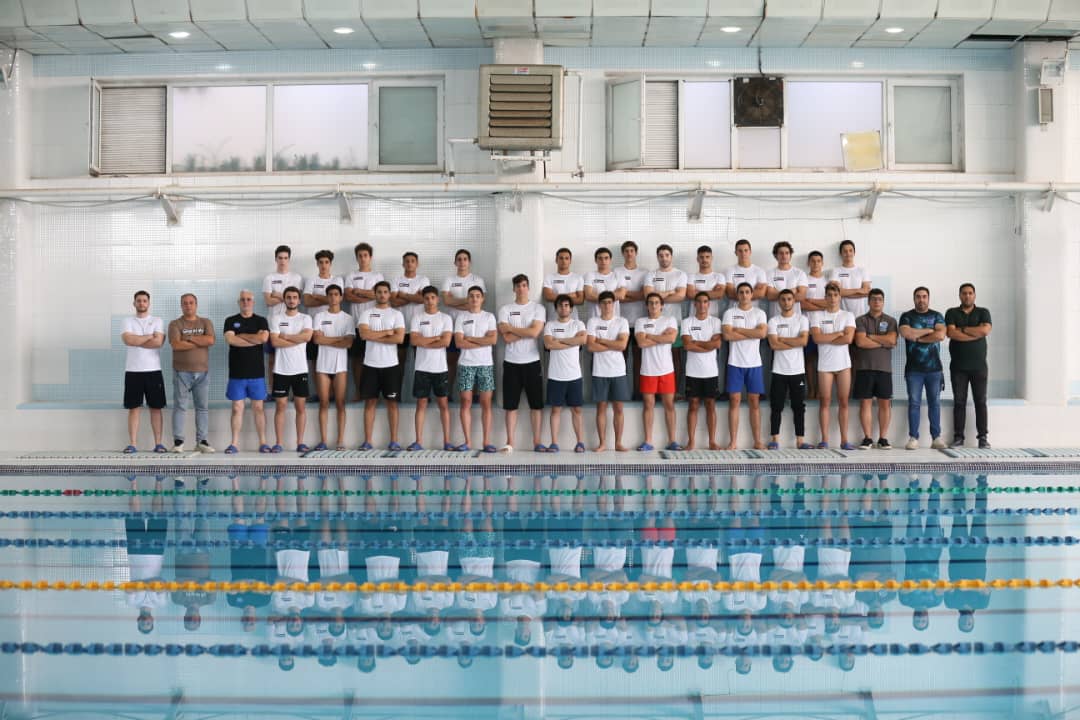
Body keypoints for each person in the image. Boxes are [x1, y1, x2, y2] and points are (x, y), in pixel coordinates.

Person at [498, 274, 546, 453]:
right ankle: (510, 442)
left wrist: (512, 329)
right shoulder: (505, 309)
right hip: (511, 363)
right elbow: (506, 338)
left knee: (536, 405)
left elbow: (535, 333)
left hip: (532, 362)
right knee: (511, 406)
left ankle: (537, 442)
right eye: (518, 286)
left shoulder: (538, 308)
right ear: (514, 289)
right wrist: (527, 331)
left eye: (524, 285)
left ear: (528, 288)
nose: (521, 288)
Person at [358, 281, 406, 450]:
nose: (382, 295)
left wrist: (374, 335)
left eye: (385, 292)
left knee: (392, 404)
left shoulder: (396, 314)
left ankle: (394, 441)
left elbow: (399, 338)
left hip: (391, 365)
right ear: (375, 293)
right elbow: (363, 335)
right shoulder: (366, 313)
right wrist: (386, 333)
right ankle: (367, 441)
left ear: (389, 294)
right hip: (370, 364)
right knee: (369, 404)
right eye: (379, 292)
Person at [899, 287, 947, 450]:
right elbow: (906, 333)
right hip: (914, 370)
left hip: (934, 369)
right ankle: (913, 438)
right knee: (914, 403)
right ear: (914, 299)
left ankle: (936, 438)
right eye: (918, 297)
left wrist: (918, 338)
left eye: (924, 296)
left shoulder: (937, 315)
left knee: (935, 403)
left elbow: (940, 335)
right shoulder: (906, 316)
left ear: (928, 298)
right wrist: (929, 331)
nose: (921, 299)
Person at [945, 283, 992, 449]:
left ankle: (983, 437)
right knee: (959, 402)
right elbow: (951, 333)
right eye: (964, 293)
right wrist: (974, 333)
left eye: (970, 293)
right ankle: (958, 438)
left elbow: (985, 331)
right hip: (958, 367)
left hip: (979, 367)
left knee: (981, 401)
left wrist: (963, 329)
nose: (967, 296)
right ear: (960, 295)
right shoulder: (952, 312)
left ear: (974, 295)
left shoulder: (983, 312)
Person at [810, 282, 856, 450]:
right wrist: (837, 334)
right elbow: (817, 339)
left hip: (843, 365)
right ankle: (824, 440)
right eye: (829, 295)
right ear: (825, 297)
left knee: (844, 402)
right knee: (825, 402)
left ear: (840, 297)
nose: (832, 298)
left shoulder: (848, 315)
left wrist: (827, 337)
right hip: (825, 366)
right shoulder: (817, 316)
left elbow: (848, 339)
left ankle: (844, 440)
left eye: (835, 295)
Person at [223, 290, 271, 453]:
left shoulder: (261, 321)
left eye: (249, 299)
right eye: (243, 299)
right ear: (239, 302)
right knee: (237, 408)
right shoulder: (230, 320)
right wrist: (253, 339)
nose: (246, 302)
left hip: (256, 373)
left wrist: (241, 336)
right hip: (237, 373)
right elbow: (231, 339)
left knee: (258, 408)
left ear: (253, 302)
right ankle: (234, 443)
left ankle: (263, 442)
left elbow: (263, 339)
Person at [722, 283, 767, 450]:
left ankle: (757, 441)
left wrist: (739, 330)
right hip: (735, 363)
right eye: (741, 292)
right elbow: (727, 335)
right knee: (734, 401)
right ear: (737, 295)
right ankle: (733, 442)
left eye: (747, 292)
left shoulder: (759, 313)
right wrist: (751, 333)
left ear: (752, 294)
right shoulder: (729, 313)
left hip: (754, 364)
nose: (744, 295)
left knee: (754, 402)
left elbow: (762, 333)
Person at [167, 293, 215, 453]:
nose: (188, 305)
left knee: (202, 408)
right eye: (185, 303)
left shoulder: (206, 322)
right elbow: (176, 345)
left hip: (202, 372)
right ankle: (178, 442)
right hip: (181, 372)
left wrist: (188, 338)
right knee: (180, 407)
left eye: (191, 302)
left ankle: (202, 441)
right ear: (181, 305)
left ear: (196, 304)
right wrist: (199, 340)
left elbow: (210, 340)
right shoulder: (175, 324)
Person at [121, 290, 167, 453]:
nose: (141, 303)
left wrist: (137, 340)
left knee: (156, 408)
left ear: (149, 303)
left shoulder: (157, 320)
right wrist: (148, 337)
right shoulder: (127, 321)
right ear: (134, 303)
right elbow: (128, 340)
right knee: (134, 408)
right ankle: (133, 444)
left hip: (153, 370)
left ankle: (158, 444)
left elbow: (158, 342)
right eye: (139, 300)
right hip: (133, 371)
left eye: (144, 300)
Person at [409, 286, 454, 451]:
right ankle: (418, 441)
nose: (430, 301)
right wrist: (435, 338)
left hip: (440, 368)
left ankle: (447, 441)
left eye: (432, 298)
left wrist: (425, 340)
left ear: (437, 299)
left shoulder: (445, 318)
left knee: (443, 405)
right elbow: (414, 341)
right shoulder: (417, 318)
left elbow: (446, 342)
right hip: (422, 368)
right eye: (427, 298)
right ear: (423, 300)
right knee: (421, 405)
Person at [269, 286, 313, 453]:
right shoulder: (276, 318)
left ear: (299, 300)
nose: (292, 300)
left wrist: (286, 336)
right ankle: (279, 443)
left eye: (295, 297)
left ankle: (300, 442)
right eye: (289, 297)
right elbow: (275, 342)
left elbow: (307, 337)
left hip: (300, 369)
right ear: (285, 299)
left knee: (300, 407)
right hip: (281, 369)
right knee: (280, 406)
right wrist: (297, 339)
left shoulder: (306, 318)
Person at [454, 285, 497, 452]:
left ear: (482, 298)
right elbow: (459, 342)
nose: (474, 298)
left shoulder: (489, 317)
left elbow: (492, 341)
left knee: (486, 403)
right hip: (466, 364)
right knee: (466, 401)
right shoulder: (461, 317)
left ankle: (486, 442)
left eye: (477, 296)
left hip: (485, 364)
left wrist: (470, 339)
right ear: (468, 298)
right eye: (471, 295)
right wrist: (481, 340)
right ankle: (468, 442)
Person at [853, 288, 898, 450]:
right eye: (874, 299)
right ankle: (867, 438)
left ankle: (883, 438)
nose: (877, 302)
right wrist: (883, 342)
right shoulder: (860, 320)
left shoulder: (891, 321)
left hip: (884, 369)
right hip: (864, 368)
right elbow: (860, 342)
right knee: (865, 404)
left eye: (879, 299)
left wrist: (870, 336)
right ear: (868, 301)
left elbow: (892, 340)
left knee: (885, 404)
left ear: (883, 302)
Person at [311, 285, 354, 451]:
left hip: (340, 366)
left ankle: (340, 441)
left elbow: (348, 343)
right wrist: (338, 339)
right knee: (323, 403)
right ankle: (323, 441)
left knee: (340, 403)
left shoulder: (347, 318)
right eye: (330, 294)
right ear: (327, 297)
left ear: (341, 297)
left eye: (336, 294)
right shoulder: (319, 316)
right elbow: (317, 340)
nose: (333, 297)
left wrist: (327, 339)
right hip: (323, 365)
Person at [635, 293, 680, 451]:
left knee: (669, 405)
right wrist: (661, 337)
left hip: (666, 370)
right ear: (647, 306)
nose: (654, 305)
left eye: (656, 303)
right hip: (648, 370)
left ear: (662, 305)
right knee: (648, 405)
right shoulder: (641, 322)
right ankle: (648, 441)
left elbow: (671, 339)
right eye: (651, 303)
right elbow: (641, 343)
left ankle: (672, 440)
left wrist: (650, 336)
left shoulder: (670, 320)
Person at [543, 294, 587, 453]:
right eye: (561, 305)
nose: (564, 308)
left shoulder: (578, 324)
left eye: (567, 305)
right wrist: (571, 341)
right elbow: (548, 344)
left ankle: (580, 442)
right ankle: (554, 443)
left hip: (574, 375)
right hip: (556, 375)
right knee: (556, 410)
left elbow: (582, 341)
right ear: (556, 308)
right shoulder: (550, 325)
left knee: (577, 410)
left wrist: (559, 341)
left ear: (571, 308)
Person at [766, 289, 810, 449]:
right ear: (779, 302)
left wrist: (782, 339)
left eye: (789, 299)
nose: (786, 302)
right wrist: (794, 341)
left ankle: (800, 440)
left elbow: (803, 342)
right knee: (776, 406)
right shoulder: (773, 321)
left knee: (798, 407)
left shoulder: (802, 319)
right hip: (779, 370)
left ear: (794, 301)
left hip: (797, 371)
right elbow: (773, 344)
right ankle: (775, 440)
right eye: (783, 299)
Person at [587, 291, 630, 452]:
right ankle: (602, 443)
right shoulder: (593, 321)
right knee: (601, 408)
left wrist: (602, 341)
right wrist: (613, 344)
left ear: (614, 304)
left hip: (618, 371)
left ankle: (618, 443)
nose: (607, 305)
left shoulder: (622, 321)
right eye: (604, 302)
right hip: (600, 371)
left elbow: (622, 345)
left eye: (610, 302)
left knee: (618, 408)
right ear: (599, 305)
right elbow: (591, 346)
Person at [124, 475, 168, 632]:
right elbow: (161, 582)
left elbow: (130, 586)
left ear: (138, 621)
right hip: (156, 553)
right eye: (148, 624)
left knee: (134, 515)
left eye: (142, 624)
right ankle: (159, 480)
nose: (145, 622)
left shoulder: (131, 603)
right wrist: (145, 585)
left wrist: (149, 585)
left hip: (135, 552)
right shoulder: (160, 603)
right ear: (152, 621)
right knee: (158, 514)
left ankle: (133, 481)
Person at [644, 244, 688, 396]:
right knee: (654, 358)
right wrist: (670, 292)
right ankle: (656, 392)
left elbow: (680, 296)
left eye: (667, 255)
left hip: (674, 322)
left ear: (671, 257)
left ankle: (675, 392)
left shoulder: (680, 274)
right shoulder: (651, 275)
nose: (664, 258)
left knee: (675, 357)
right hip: (653, 323)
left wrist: (657, 296)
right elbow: (648, 296)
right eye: (661, 255)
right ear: (657, 257)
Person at [682, 291, 723, 450]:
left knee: (710, 405)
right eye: (699, 301)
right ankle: (691, 441)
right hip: (693, 371)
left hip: (710, 371)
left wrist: (696, 342)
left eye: (705, 301)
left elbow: (717, 344)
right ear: (694, 304)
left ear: (709, 304)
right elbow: (687, 345)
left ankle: (712, 441)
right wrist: (707, 345)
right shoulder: (687, 322)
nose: (702, 305)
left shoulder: (715, 322)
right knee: (693, 405)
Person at [442, 248, 486, 394]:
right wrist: (467, 302)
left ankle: (474, 395)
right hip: (453, 327)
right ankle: (448, 393)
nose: (462, 262)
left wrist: (455, 301)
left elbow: (479, 303)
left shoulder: (477, 280)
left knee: (473, 362)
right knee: (451, 361)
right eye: (459, 259)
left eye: (465, 259)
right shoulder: (449, 280)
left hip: (472, 327)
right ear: (455, 262)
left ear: (469, 262)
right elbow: (446, 301)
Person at [344, 242, 384, 399]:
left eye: (365, 255)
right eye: (360, 256)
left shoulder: (378, 276)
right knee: (357, 359)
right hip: (355, 324)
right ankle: (359, 391)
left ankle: (373, 393)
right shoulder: (351, 276)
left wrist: (359, 291)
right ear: (357, 258)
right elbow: (348, 296)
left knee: (374, 359)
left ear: (370, 257)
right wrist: (369, 295)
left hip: (373, 326)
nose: (362, 258)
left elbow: (379, 295)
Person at [263, 245, 303, 380]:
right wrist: (287, 298)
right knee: (272, 359)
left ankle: (291, 389)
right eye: (280, 258)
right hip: (273, 324)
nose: (282, 261)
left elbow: (297, 301)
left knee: (292, 357)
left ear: (289, 259)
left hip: (292, 324)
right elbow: (268, 301)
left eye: (285, 258)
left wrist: (277, 294)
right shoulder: (269, 278)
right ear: (276, 259)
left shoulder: (297, 278)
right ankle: (272, 389)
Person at [618, 240, 649, 399]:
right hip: (620, 323)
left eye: (632, 251)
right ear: (623, 253)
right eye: (626, 251)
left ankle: (638, 393)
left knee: (639, 360)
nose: (629, 253)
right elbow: (617, 297)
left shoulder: (645, 272)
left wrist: (626, 293)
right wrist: (635, 295)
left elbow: (645, 295)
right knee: (620, 360)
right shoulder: (616, 272)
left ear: (636, 253)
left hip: (640, 323)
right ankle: (621, 393)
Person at [390, 251, 430, 372]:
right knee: (399, 362)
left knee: (420, 362)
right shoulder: (396, 280)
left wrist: (403, 295)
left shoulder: (423, 280)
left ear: (417, 264)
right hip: (400, 327)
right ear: (403, 264)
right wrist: (414, 297)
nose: (409, 263)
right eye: (407, 261)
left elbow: (423, 299)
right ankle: (398, 385)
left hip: (419, 328)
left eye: (412, 261)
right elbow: (393, 302)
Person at [802, 250, 829, 399]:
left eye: (818, 261)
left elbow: (830, 303)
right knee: (809, 360)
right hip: (807, 327)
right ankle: (811, 390)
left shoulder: (827, 281)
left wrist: (811, 301)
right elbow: (802, 304)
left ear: (822, 263)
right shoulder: (803, 280)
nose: (816, 263)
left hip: (825, 328)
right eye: (813, 261)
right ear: (808, 263)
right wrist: (822, 304)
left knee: (823, 360)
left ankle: (820, 391)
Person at [829, 239, 871, 317]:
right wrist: (859, 290)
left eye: (850, 250)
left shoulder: (862, 271)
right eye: (845, 251)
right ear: (840, 253)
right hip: (841, 315)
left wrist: (843, 293)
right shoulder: (836, 271)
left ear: (854, 252)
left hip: (860, 316)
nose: (848, 253)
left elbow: (867, 292)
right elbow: (835, 293)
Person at [766, 241, 808, 317]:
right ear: (776, 255)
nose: (784, 256)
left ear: (790, 255)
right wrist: (793, 291)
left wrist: (777, 293)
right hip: (776, 317)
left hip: (795, 318)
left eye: (787, 253)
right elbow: (770, 295)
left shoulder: (799, 273)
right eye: (781, 253)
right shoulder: (769, 273)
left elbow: (802, 296)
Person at [542, 247, 585, 321]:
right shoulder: (549, 277)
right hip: (553, 319)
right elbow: (548, 296)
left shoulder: (578, 278)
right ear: (556, 260)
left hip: (573, 320)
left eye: (566, 258)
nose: (564, 261)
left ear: (570, 261)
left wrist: (556, 296)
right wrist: (572, 295)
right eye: (561, 258)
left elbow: (580, 300)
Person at [583, 247, 626, 319]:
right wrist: (613, 294)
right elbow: (588, 295)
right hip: (595, 319)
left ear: (610, 260)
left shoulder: (617, 275)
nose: (603, 261)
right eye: (600, 258)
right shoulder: (589, 275)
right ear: (595, 260)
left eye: (606, 258)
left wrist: (596, 295)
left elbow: (621, 295)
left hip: (614, 320)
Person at [686, 245, 727, 319]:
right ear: (697, 259)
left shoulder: (719, 276)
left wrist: (697, 292)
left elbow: (719, 294)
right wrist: (712, 292)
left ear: (712, 258)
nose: (704, 260)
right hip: (694, 318)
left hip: (713, 317)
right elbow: (690, 294)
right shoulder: (691, 276)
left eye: (707, 257)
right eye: (701, 257)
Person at [725, 239, 768, 306]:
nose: (743, 253)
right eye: (740, 251)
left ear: (750, 252)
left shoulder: (759, 271)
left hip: (754, 310)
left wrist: (738, 292)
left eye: (746, 250)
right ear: (736, 253)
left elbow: (761, 294)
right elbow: (730, 294)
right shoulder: (729, 271)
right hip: (734, 309)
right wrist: (753, 291)